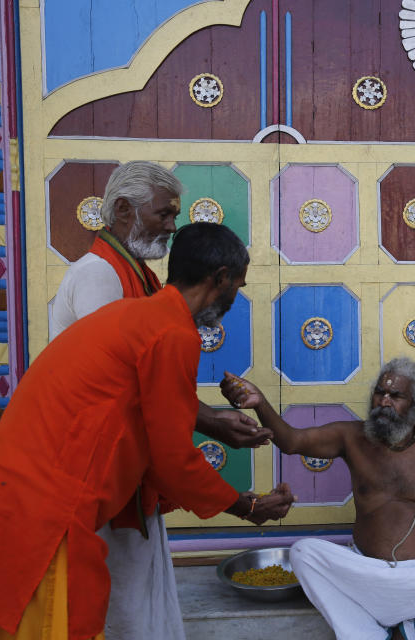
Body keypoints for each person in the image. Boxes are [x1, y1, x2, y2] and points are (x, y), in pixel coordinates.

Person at [0, 223, 294, 639]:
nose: (236, 297)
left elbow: (154, 453)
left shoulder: (132, 315)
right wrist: (246, 507)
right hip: (46, 515)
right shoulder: (172, 332)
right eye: (238, 285)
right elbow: (172, 460)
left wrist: (234, 499)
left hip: (9, 498)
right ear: (219, 279)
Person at [49, 161, 272, 640]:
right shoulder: (100, 277)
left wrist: (213, 419)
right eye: (164, 214)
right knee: (115, 612)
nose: (172, 226)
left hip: (122, 473)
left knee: (140, 607)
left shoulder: (143, 281)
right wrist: (243, 501)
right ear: (125, 210)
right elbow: (124, 384)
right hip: (92, 470)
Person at [220, 358, 415, 640]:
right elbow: (291, 441)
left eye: (396, 396)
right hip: (368, 572)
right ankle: (367, 634)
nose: (384, 401)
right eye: (380, 392)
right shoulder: (350, 436)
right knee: (304, 554)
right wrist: (260, 403)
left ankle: (412, 633)